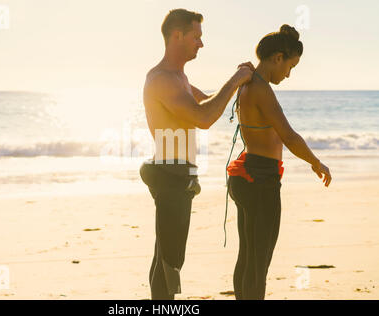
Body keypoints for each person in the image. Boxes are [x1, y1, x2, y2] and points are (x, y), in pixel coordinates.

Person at [140, 8, 254, 300]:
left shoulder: (179, 76)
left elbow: (210, 101)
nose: (201, 44)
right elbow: (203, 117)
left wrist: (243, 87)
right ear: (177, 35)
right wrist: (236, 78)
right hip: (170, 172)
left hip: (180, 172)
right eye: (196, 37)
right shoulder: (163, 78)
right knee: (171, 259)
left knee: (166, 253)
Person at [226, 24, 332, 300]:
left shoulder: (247, 82)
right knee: (259, 260)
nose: (288, 74)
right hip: (260, 178)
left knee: (249, 255)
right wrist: (316, 162)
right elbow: (288, 135)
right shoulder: (260, 89)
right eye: (290, 66)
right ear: (278, 58)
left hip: (247, 174)